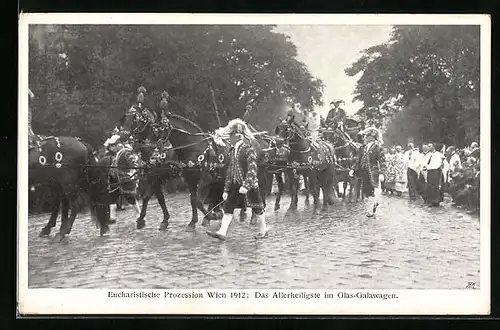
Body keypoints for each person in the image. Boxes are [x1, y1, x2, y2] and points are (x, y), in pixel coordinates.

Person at [207, 118, 268, 241]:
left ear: (238, 136)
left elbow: (252, 169)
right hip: (235, 185)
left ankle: (263, 230)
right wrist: (225, 190)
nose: (229, 138)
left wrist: (246, 185)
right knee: (228, 209)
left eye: (231, 136)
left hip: (250, 186)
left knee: (258, 208)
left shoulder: (248, 149)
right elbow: (230, 171)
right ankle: (222, 232)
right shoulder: (232, 151)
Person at [355, 126, 386, 217]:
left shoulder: (377, 147)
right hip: (363, 172)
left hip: (373, 172)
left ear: (370, 138)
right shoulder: (363, 148)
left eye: (365, 137)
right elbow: (358, 159)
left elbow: (382, 161)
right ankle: (372, 206)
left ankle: (372, 209)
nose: (364, 138)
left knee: (373, 190)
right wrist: (354, 169)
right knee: (365, 190)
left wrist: (382, 174)